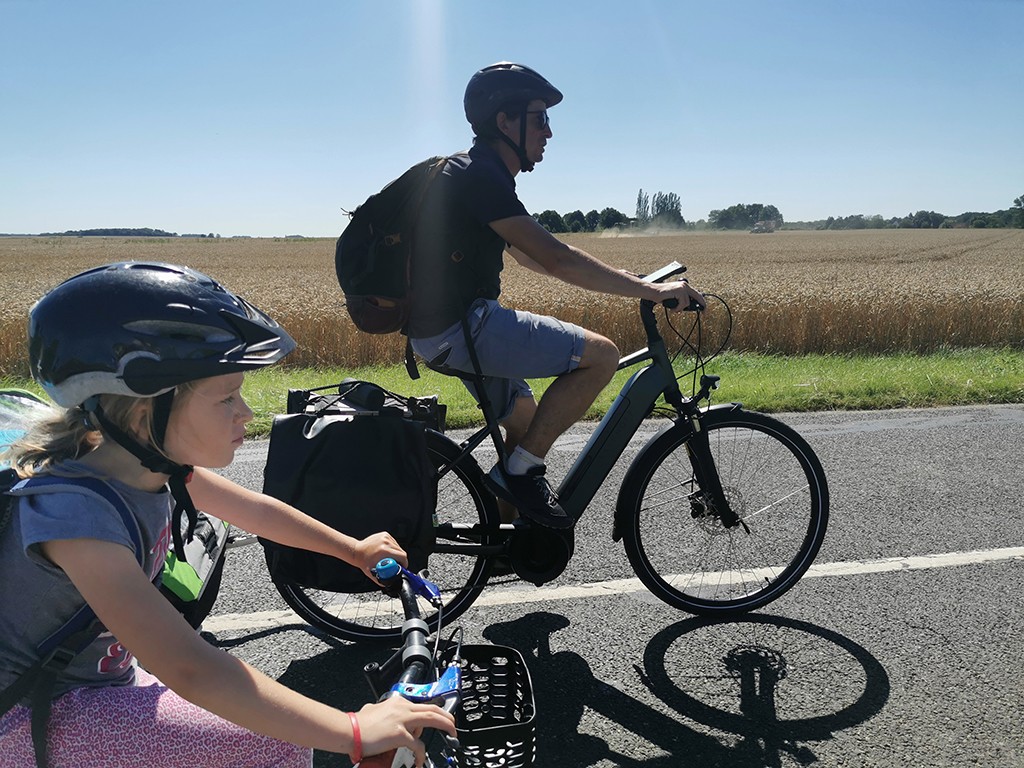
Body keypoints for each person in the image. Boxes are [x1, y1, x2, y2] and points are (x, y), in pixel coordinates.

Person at [0, 262, 455, 768]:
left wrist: (353, 550)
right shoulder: (76, 517)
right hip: (29, 716)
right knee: (274, 745)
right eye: (224, 398)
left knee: (264, 722)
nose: (246, 413)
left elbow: (256, 511)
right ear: (142, 409)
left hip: (95, 685)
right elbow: (190, 668)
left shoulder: (154, 467)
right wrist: (352, 730)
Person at [408, 62, 707, 529]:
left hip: (444, 332)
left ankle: (506, 545)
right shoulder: (481, 176)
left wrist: (624, 277)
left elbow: (529, 254)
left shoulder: (474, 174)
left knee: (525, 421)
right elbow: (556, 259)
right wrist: (651, 290)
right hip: (465, 328)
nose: (548, 132)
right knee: (602, 357)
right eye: (540, 118)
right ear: (505, 122)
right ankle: (521, 472)